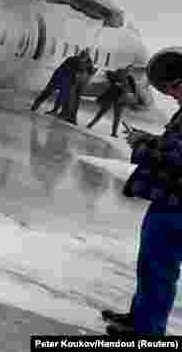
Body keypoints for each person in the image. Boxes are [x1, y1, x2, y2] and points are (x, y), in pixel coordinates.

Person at [104, 47, 182, 337]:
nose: (172, 95)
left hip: (177, 207)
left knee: (160, 269)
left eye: (174, 88)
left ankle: (148, 332)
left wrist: (143, 145)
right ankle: (139, 319)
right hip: (169, 201)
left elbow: (179, 156)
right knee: (150, 264)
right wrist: (149, 139)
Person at [87, 68, 138, 137]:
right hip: (113, 96)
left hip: (120, 99)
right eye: (127, 70)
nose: (127, 72)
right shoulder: (120, 75)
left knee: (116, 116)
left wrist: (130, 95)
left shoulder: (130, 78)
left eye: (129, 71)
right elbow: (111, 79)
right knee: (103, 112)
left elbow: (133, 89)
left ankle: (113, 132)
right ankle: (91, 124)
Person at [60, 49, 96, 125]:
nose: (84, 57)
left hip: (77, 84)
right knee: (72, 100)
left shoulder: (85, 62)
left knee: (72, 99)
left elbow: (91, 72)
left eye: (85, 55)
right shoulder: (85, 62)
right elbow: (91, 72)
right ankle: (70, 117)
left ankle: (69, 117)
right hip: (77, 83)